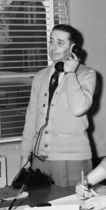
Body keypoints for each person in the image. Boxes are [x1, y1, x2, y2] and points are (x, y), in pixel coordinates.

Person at [20, 24, 96, 187]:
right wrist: (25, 157)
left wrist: (70, 73)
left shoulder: (86, 75)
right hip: (39, 160)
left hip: (71, 159)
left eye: (60, 43)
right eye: (51, 41)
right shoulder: (40, 76)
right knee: (39, 208)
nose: (53, 47)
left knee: (73, 209)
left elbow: (78, 108)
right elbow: (31, 118)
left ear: (73, 48)